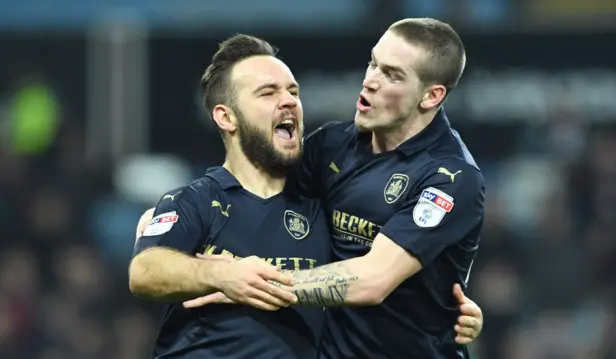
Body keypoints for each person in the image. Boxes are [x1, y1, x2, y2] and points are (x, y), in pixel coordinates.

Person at [137, 18, 486, 358]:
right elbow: (252, 189)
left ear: (431, 95)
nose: (369, 81)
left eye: (391, 75)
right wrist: (169, 230)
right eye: (373, 63)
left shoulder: (452, 177)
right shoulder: (331, 147)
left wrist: (250, 284)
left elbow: (372, 280)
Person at [129, 34, 332, 359]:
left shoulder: (322, 208)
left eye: (293, 91)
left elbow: (376, 277)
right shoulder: (195, 200)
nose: (290, 100)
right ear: (227, 117)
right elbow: (144, 271)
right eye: (268, 92)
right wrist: (222, 275)